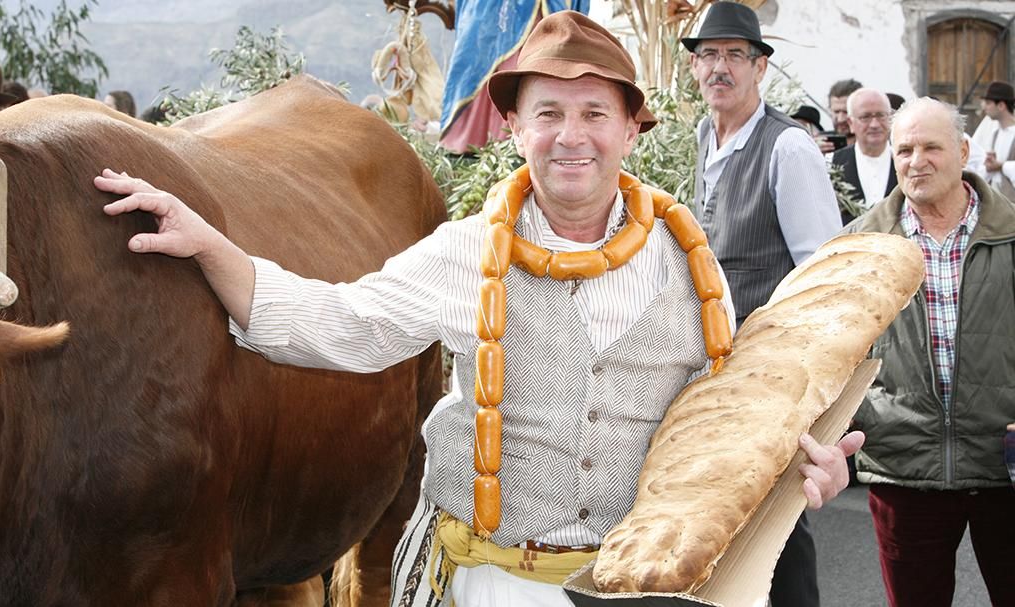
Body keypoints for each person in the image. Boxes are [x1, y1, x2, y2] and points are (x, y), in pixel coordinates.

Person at [95, 11, 861, 607]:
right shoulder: (464, 251)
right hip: (498, 578)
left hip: (646, 587)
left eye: (595, 113)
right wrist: (207, 242)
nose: (572, 137)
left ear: (632, 128)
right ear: (515, 127)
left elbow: (724, 422)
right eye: (548, 112)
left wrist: (799, 465)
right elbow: (339, 324)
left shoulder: (692, 268)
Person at [681, 4, 842, 607]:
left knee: (777, 519)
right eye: (708, 56)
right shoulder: (706, 134)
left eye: (733, 56)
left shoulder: (788, 148)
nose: (718, 68)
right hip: (715, 363)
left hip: (770, 369)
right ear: (695, 68)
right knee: (727, 511)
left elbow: (821, 275)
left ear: (760, 68)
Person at [844, 96, 1015, 607]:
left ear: (963, 150)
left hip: (1005, 467)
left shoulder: (1011, 235)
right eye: (905, 150)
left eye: (931, 147)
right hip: (903, 466)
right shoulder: (860, 245)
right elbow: (836, 354)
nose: (916, 161)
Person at [438, 0, 588, 154]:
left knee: (539, 64)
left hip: (544, 11)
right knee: (481, 58)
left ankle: (520, 143)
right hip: (492, 10)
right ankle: (478, 142)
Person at [832, 88, 897, 223]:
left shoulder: (904, 161)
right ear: (851, 123)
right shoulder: (831, 164)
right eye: (865, 117)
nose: (874, 124)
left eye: (881, 115)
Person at [976, 80, 1015, 199]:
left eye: (988, 103)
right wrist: (989, 164)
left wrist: (1001, 165)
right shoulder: (995, 134)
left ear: (1001, 105)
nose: (984, 107)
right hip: (998, 202)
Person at [817, 78, 863, 154]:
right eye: (836, 112)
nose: (840, 119)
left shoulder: (875, 142)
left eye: (846, 112)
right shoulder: (819, 142)